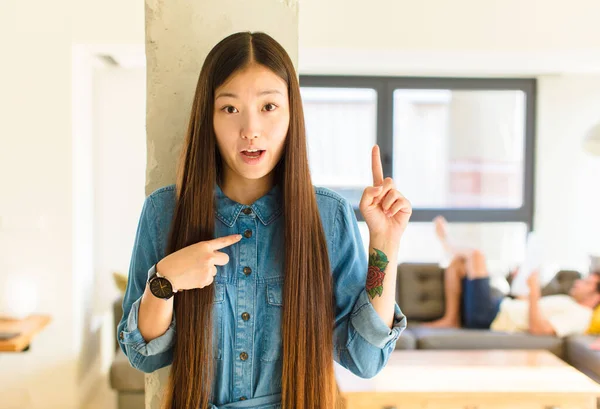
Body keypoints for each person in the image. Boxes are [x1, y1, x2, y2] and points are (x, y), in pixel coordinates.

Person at [117, 32, 411, 409]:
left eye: (268, 107)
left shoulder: (329, 216)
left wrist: (385, 244)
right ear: (208, 117)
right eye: (230, 109)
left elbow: (365, 360)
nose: (250, 129)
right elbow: (146, 356)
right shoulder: (165, 211)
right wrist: (165, 280)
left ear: (291, 114)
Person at [425, 216, 600, 337]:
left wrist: (534, 291)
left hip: (491, 317)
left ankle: (446, 243)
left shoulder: (581, 315)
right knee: (458, 264)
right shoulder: (569, 302)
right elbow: (527, 310)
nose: (578, 282)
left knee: (477, 255)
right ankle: (451, 319)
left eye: (586, 283)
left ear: (596, 296)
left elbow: (539, 329)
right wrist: (522, 284)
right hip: (497, 309)